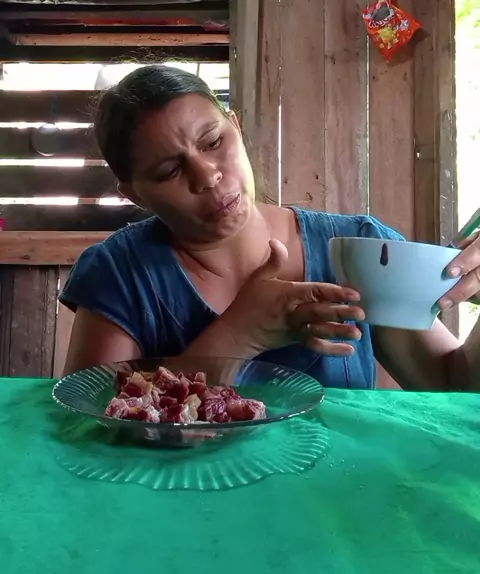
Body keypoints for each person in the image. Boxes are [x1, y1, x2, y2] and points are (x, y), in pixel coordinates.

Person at [62, 64, 480, 391]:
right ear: (135, 195)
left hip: (340, 480)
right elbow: (89, 423)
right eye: (169, 170)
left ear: (236, 127)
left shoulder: (364, 250)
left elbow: (454, 385)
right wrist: (238, 335)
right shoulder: (119, 272)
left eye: (213, 142)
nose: (207, 176)